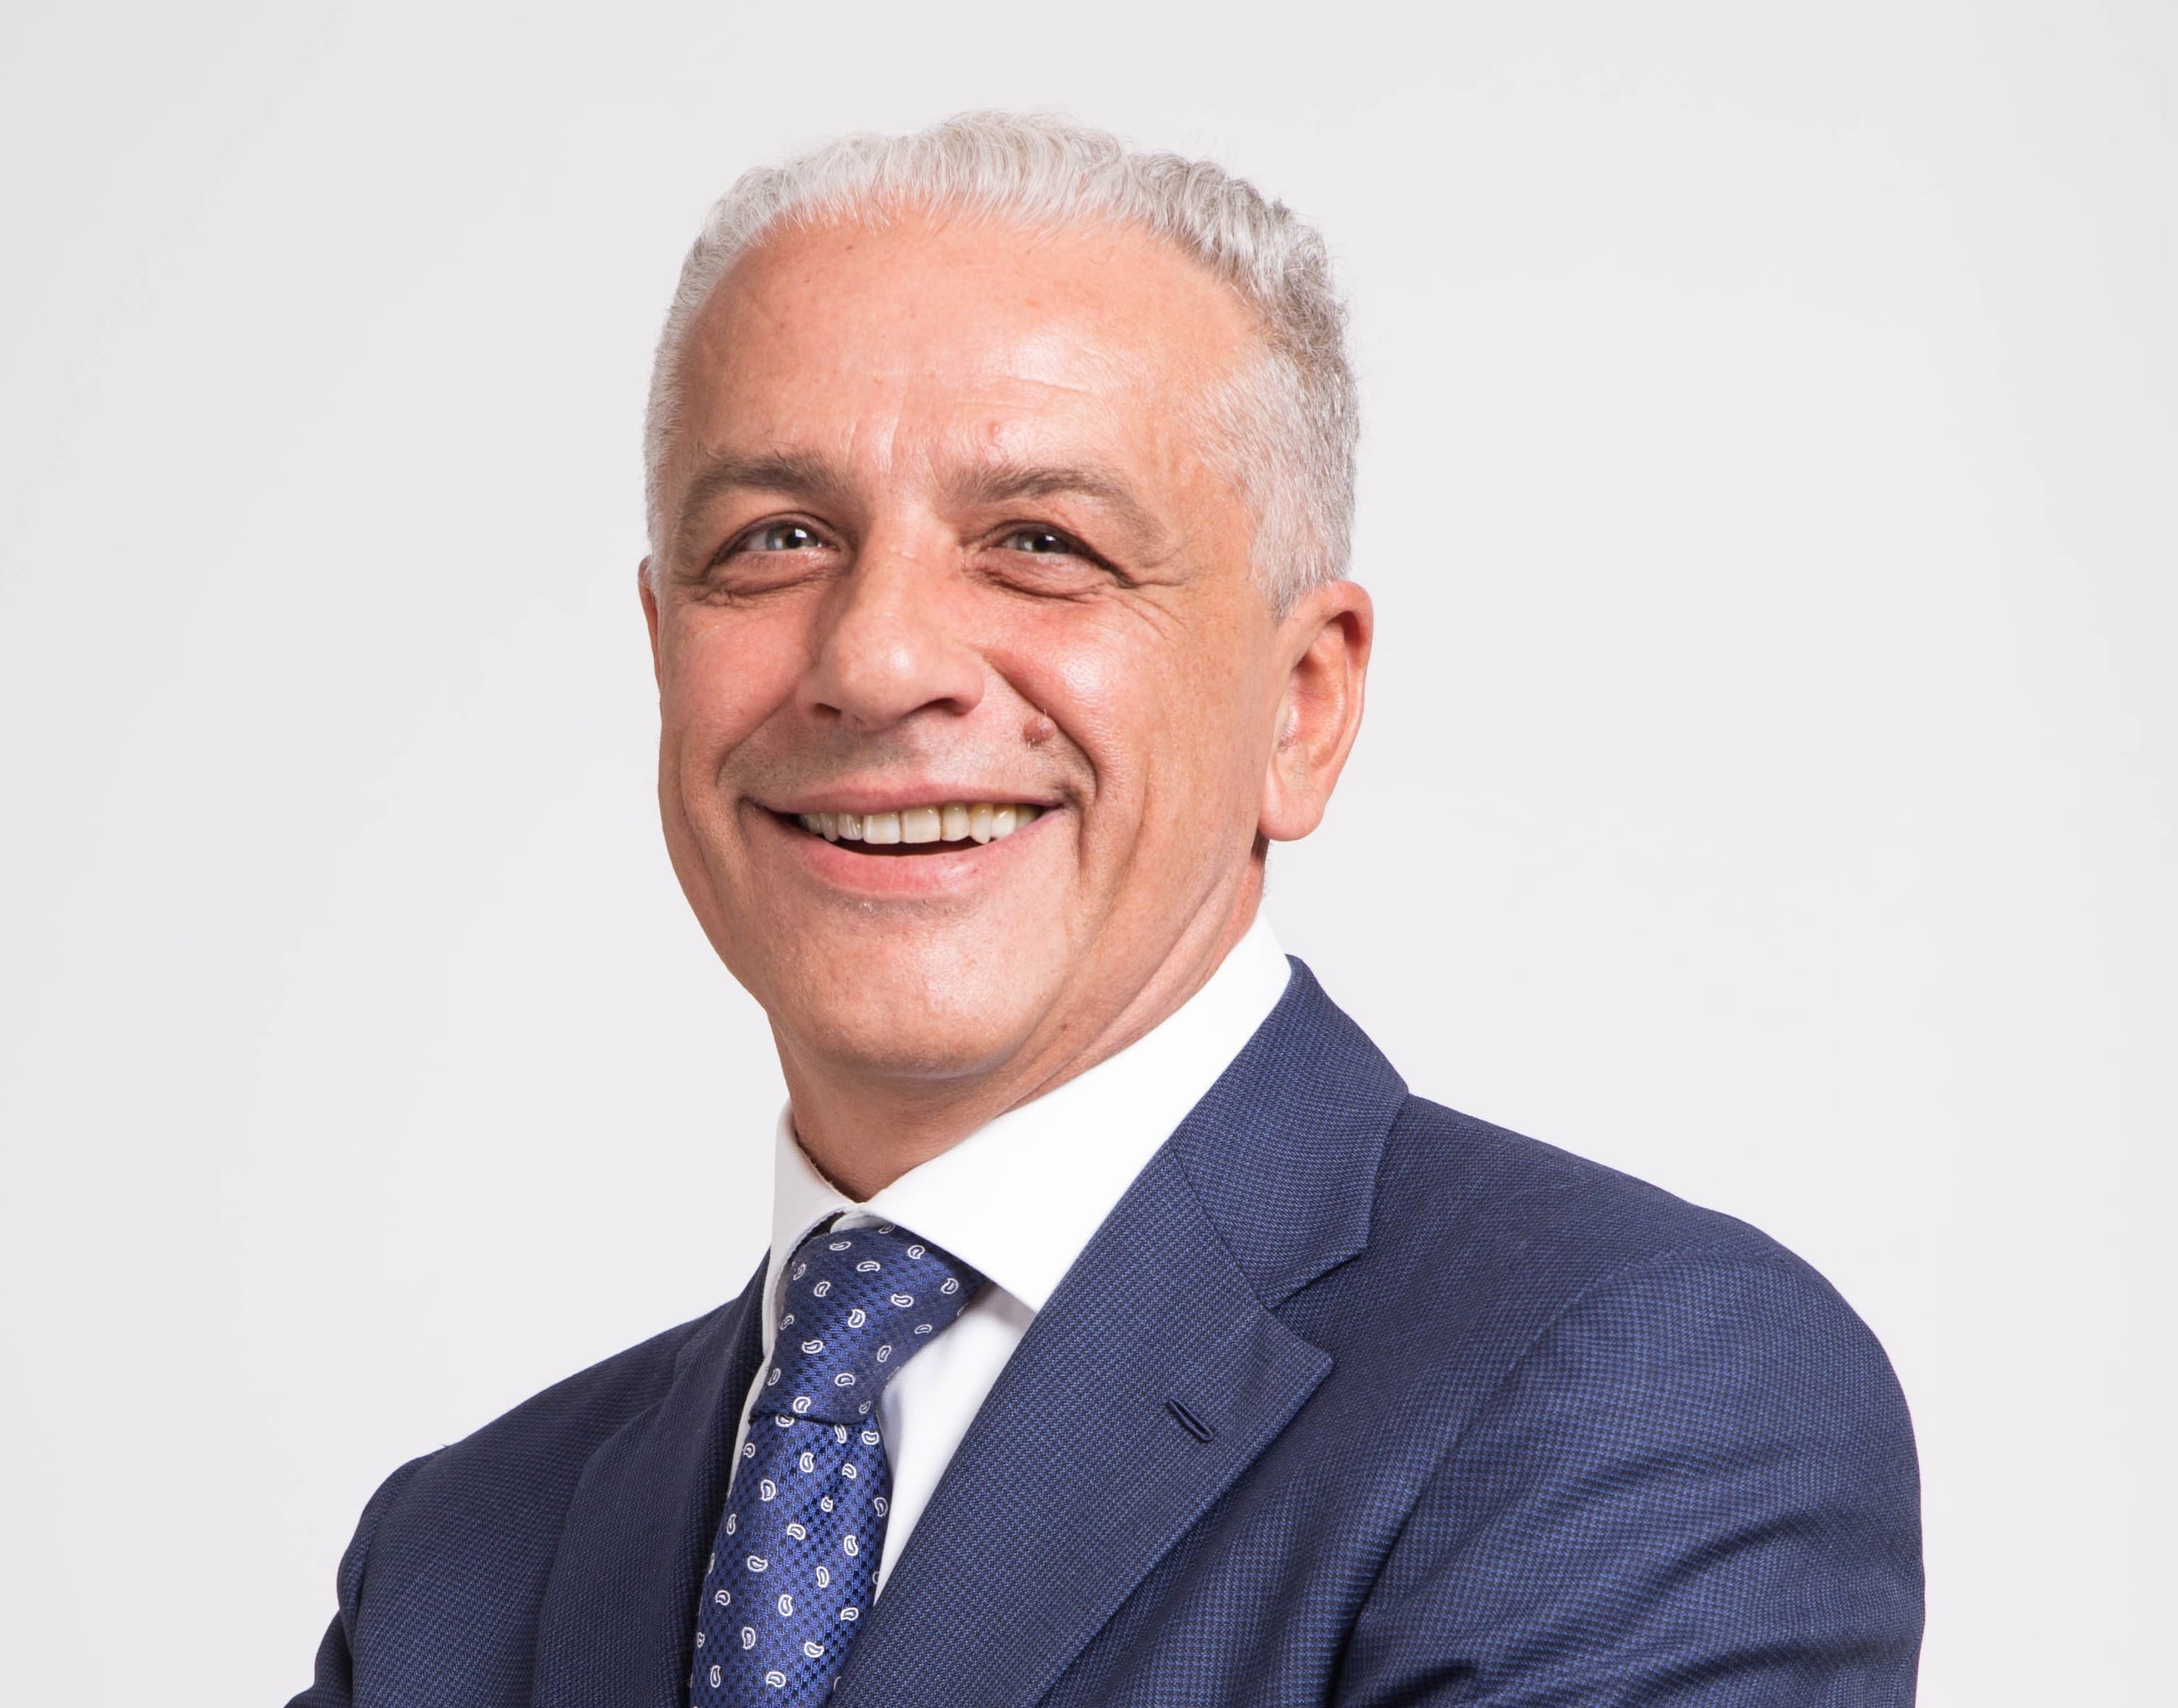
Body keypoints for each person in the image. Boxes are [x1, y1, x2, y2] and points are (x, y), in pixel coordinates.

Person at [290, 113, 1922, 1708]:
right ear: (663, 650)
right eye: (777, 539)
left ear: (1302, 704)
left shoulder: (1638, 1392)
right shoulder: (456, 1560)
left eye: (1040, 542)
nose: (875, 659)